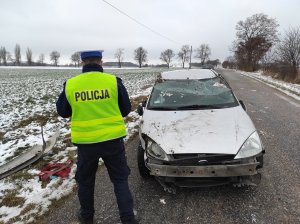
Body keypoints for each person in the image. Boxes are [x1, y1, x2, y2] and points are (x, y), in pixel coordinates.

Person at [56, 50, 138, 224]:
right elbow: (125, 109)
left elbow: (62, 111)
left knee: (86, 182)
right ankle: (128, 219)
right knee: (120, 180)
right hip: (113, 141)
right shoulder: (113, 82)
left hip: (86, 144)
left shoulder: (71, 84)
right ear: (101, 62)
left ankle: (87, 218)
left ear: (82, 63)